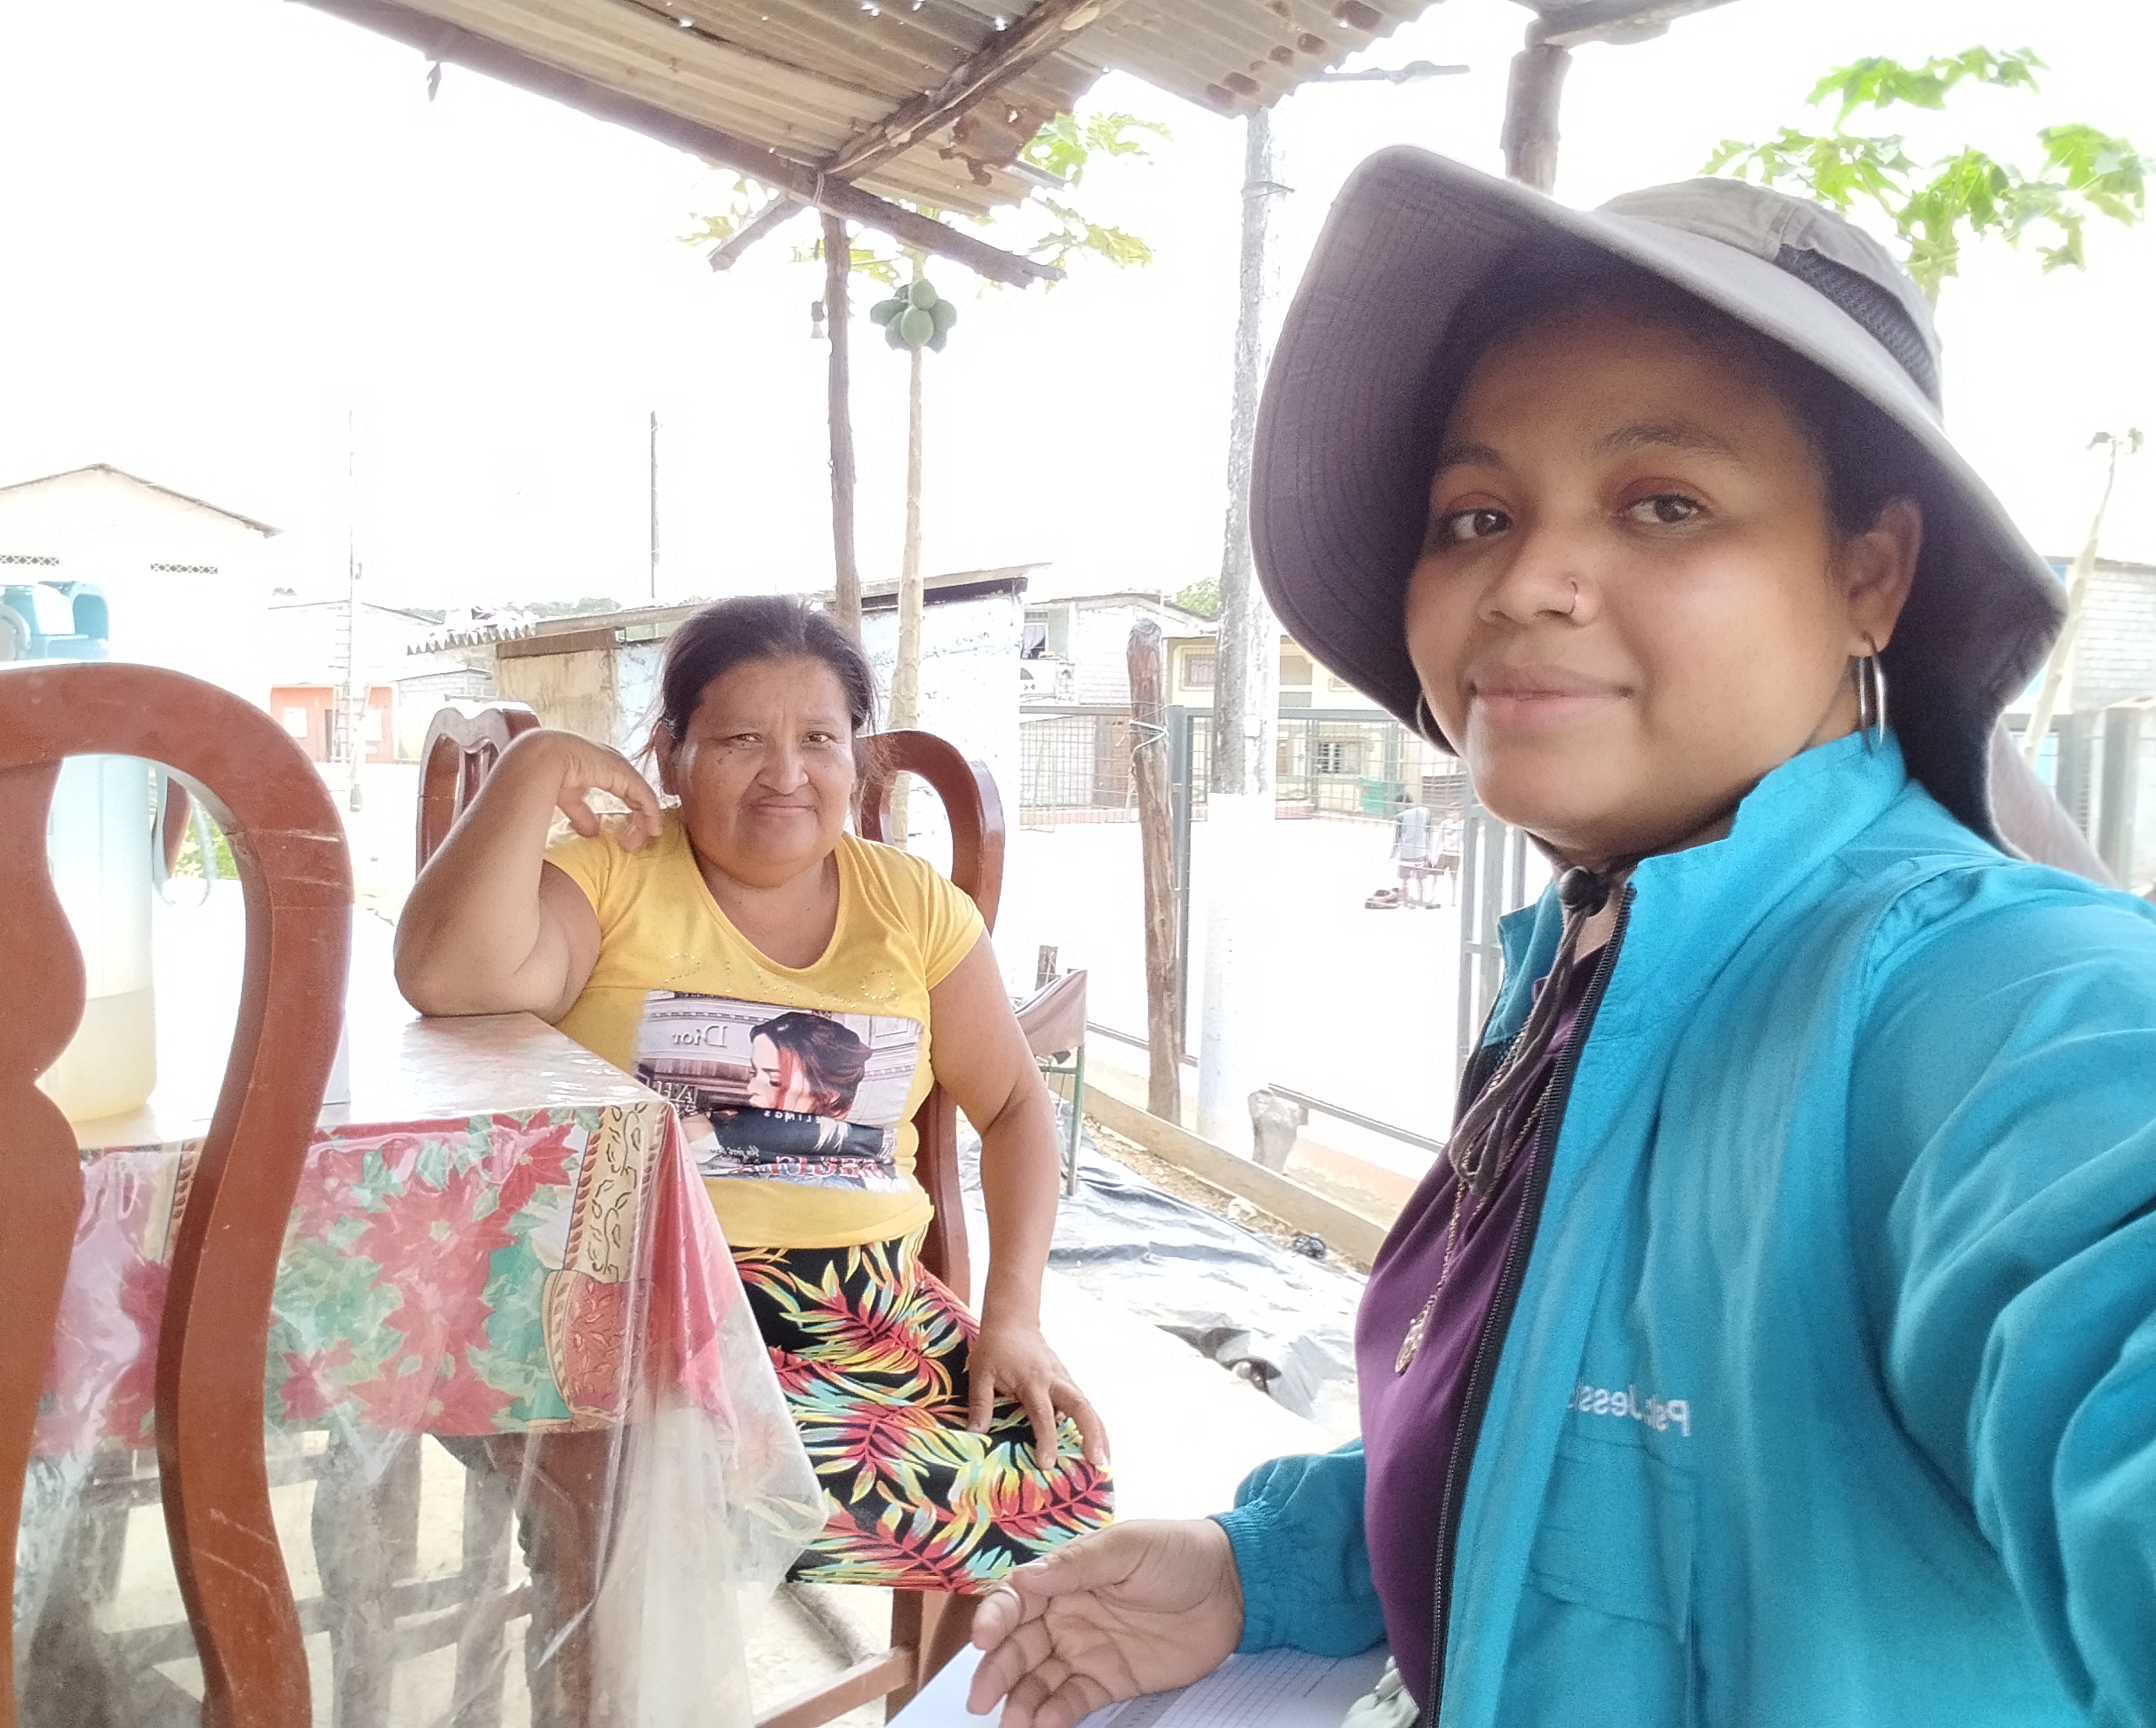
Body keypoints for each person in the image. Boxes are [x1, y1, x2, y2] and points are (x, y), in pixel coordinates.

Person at [967, 149, 2156, 1728]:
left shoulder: (1989, 997)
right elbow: (1571, 1413)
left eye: (1664, 503)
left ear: (1869, 572)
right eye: (1475, 513)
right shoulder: (1587, 964)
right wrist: (1279, 1560)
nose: (1523, 580)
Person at [395, 595, 1112, 1604]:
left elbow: (1015, 1109)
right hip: (650, 1307)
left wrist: (1015, 1313)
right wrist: (532, 766)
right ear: (672, 752)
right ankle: (631, 1592)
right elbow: (448, 977)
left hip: (864, 1311)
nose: (786, 773)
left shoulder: (911, 903)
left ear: (856, 759)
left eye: (819, 738)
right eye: (740, 740)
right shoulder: (613, 874)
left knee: (1061, 1473)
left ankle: (668, 1558)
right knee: (665, 1497)